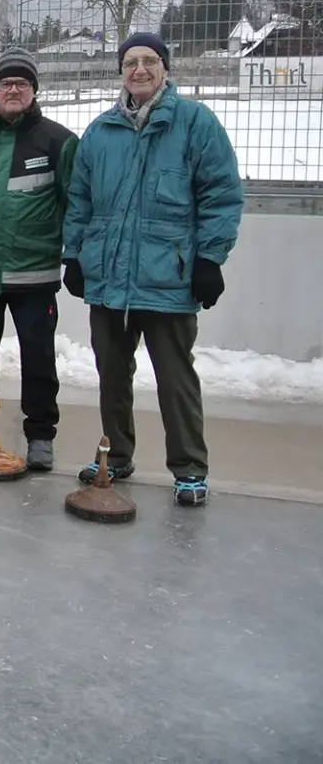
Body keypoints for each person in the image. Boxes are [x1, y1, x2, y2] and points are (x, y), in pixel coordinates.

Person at [62, 33, 243, 507]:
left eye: (148, 61)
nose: (138, 70)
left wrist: (209, 259)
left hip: (169, 277)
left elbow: (221, 195)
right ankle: (116, 454)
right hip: (108, 278)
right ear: (120, 72)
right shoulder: (101, 132)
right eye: (130, 63)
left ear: (165, 67)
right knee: (112, 374)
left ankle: (188, 468)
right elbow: (80, 200)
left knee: (175, 378)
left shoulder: (195, 124)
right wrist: (74, 255)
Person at [0, 49, 78, 472]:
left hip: (36, 272)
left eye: (22, 83)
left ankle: (40, 434)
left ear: (35, 90)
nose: (14, 89)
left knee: (38, 356)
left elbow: (75, 205)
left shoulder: (59, 140)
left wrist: (75, 257)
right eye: (6, 83)